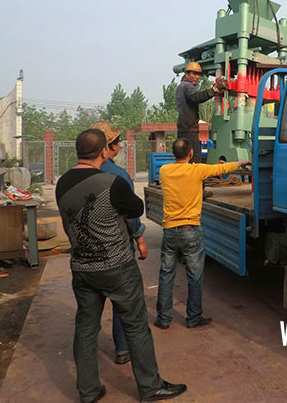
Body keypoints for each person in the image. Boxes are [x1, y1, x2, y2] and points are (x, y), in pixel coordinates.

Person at [56, 129, 186, 402]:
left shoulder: (62, 183)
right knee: (136, 326)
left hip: (82, 268)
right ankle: (150, 387)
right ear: (104, 151)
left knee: (86, 329)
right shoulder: (112, 182)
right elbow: (136, 209)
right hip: (117, 267)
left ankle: (88, 391)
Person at [154, 137, 250, 330]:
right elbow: (220, 169)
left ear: (173, 153)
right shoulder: (197, 170)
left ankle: (163, 319)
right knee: (194, 276)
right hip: (190, 230)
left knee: (166, 275)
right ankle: (193, 318)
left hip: (170, 231)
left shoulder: (164, 170)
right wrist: (241, 162)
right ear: (190, 153)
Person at [90, 120, 148, 366]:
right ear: (109, 148)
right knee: (124, 301)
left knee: (89, 311)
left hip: (86, 254)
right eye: (118, 142)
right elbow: (131, 215)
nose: (120, 146)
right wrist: (140, 239)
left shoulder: (75, 177)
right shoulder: (119, 176)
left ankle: (87, 361)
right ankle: (123, 348)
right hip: (117, 250)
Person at [176, 61, 227, 164]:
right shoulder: (187, 86)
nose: (197, 77)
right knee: (194, 161)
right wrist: (214, 90)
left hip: (183, 129)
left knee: (184, 160)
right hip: (189, 130)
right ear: (186, 74)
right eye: (194, 74)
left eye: (199, 74)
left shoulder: (180, 87)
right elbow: (197, 96)